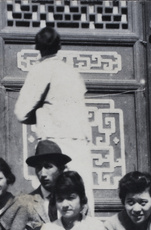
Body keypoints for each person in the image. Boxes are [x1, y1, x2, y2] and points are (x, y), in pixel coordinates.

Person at [14, 26, 95, 214]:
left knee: (56, 198)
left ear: (38, 48)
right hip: (80, 142)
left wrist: (40, 114)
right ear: (59, 46)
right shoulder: (71, 71)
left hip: (55, 143)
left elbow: (21, 112)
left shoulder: (41, 69)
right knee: (81, 197)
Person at [20, 139, 71, 230]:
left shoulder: (75, 202)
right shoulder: (25, 202)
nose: (42, 173)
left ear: (61, 169)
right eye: (38, 168)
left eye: (48, 166)